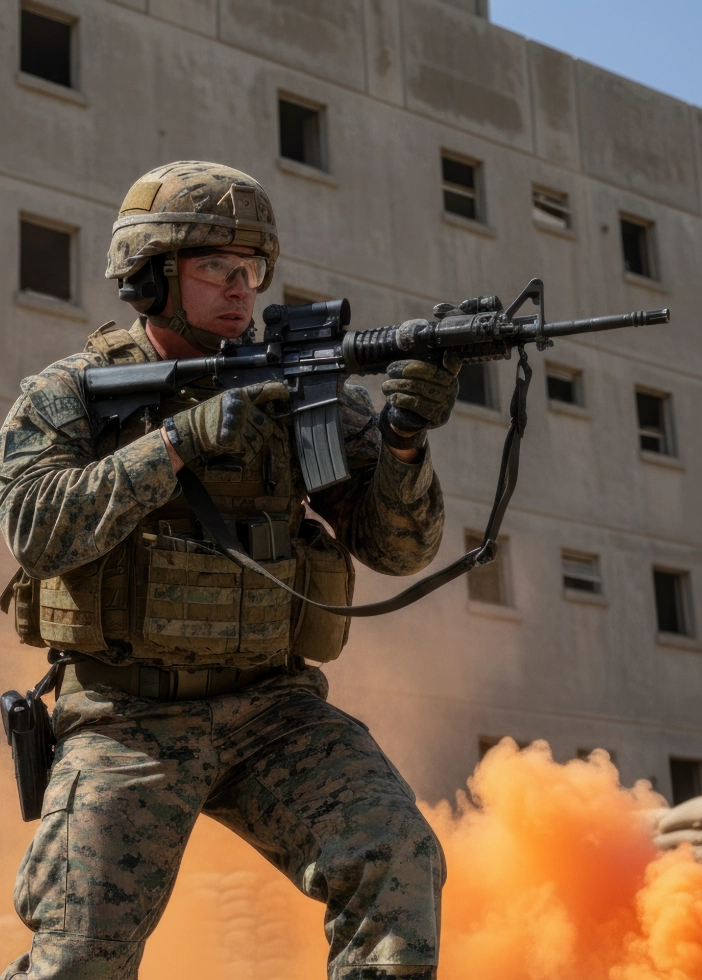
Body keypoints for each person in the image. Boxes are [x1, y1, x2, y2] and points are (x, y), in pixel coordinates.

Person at [0, 161, 460, 980]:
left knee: (396, 852)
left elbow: (399, 549)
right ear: (149, 276)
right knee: (78, 961)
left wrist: (401, 440)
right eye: (217, 266)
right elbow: (37, 529)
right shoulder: (69, 393)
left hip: (272, 711)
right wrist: (177, 442)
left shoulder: (300, 392)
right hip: (126, 714)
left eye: (253, 271)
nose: (242, 289)